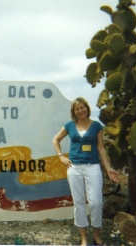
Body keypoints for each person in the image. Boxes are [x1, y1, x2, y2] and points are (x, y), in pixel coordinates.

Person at [52, 97, 120, 246]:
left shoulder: (96, 126)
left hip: (93, 167)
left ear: (87, 109)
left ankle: (96, 235)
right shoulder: (69, 125)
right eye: (77, 109)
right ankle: (84, 239)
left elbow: (100, 147)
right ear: (74, 112)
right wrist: (61, 156)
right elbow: (55, 140)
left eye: (82, 107)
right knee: (79, 204)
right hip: (74, 168)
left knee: (96, 203)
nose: (80, 110)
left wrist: (108, 168)